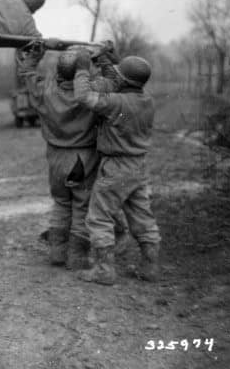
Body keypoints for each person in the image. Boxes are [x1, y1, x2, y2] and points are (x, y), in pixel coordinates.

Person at [20, 42, 120, 270]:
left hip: (55, 159)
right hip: (82, 160)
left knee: (61, 203)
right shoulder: (92, 91)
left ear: (58, 71)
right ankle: (77, 257)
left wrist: (35, 55)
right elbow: (116, 80)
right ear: (81, 73)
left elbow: (26, 73)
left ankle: (57, 253)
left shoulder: (44, 91)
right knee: (81, 206)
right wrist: (102, 56)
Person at [73, 51, 160, 285]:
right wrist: (107, 63)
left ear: (124, 81)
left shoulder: (115, 102)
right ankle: (150, 267)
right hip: (139, 166)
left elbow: (82, 96)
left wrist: (82, 68)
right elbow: (125, 80)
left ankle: (104, 270)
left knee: (99, 217)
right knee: (142, 216)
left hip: (116, 166)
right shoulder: (147, 100)